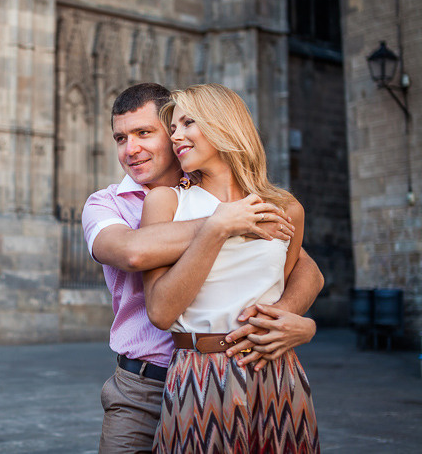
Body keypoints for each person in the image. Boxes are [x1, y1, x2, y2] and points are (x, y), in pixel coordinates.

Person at [82, 83, 322, 453]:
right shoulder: (108, 203)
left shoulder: (263, 207)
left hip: (259, 369)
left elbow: (305, 269)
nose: (131, 149)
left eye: (144, 133)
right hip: (144, 383)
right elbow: (132, 253)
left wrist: (296, 321)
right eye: (120, 138)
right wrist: (225, 222)